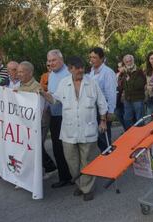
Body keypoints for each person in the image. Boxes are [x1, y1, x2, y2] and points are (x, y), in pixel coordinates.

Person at [41, 56, 108, 201]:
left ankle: (87, 188)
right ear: (70, 69)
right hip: (69, 131)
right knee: (72, 162)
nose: (80, 70)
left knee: (87, 161)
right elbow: (54, 99)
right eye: (77, 68)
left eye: (82, 68)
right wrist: (42, 93)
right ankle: (79, 184)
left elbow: (102, 103)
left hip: (88, 129)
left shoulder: (92, 83)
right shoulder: (64, 83)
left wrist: (103, 121)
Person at [46, 49, 73, 188]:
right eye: (49, 61)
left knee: (69, 148)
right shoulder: (51, 75)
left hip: (66, 116)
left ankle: (74, 176)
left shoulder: (68, 74)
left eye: (53, 60)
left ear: (61, 59)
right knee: (57, 148)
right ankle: (64, 177)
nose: (51, 63)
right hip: (55, 116)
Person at [88, 47, 117, 151]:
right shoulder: (91, 72)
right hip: (93, 109)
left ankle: (109, 159)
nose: (92, 60)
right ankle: (105, 157)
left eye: (94, 57)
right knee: (98, 137)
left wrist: (110, 111)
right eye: (90, 57)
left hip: (103, 109)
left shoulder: (107, 72)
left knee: (104, 137)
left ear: (102, 58)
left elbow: (111, 93)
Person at [121, 54, 146, 128]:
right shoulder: (124, 73)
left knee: (140, 119)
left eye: (130, 61)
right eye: (127, 61)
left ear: (133, 61)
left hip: (138, 99)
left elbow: (139, 85)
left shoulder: (139, 71)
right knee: (127, 119)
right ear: (124, 63)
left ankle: (141, 135)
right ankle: (132, 134)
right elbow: (123, 86)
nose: (129, 63)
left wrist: (129, 80)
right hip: (127, 99)